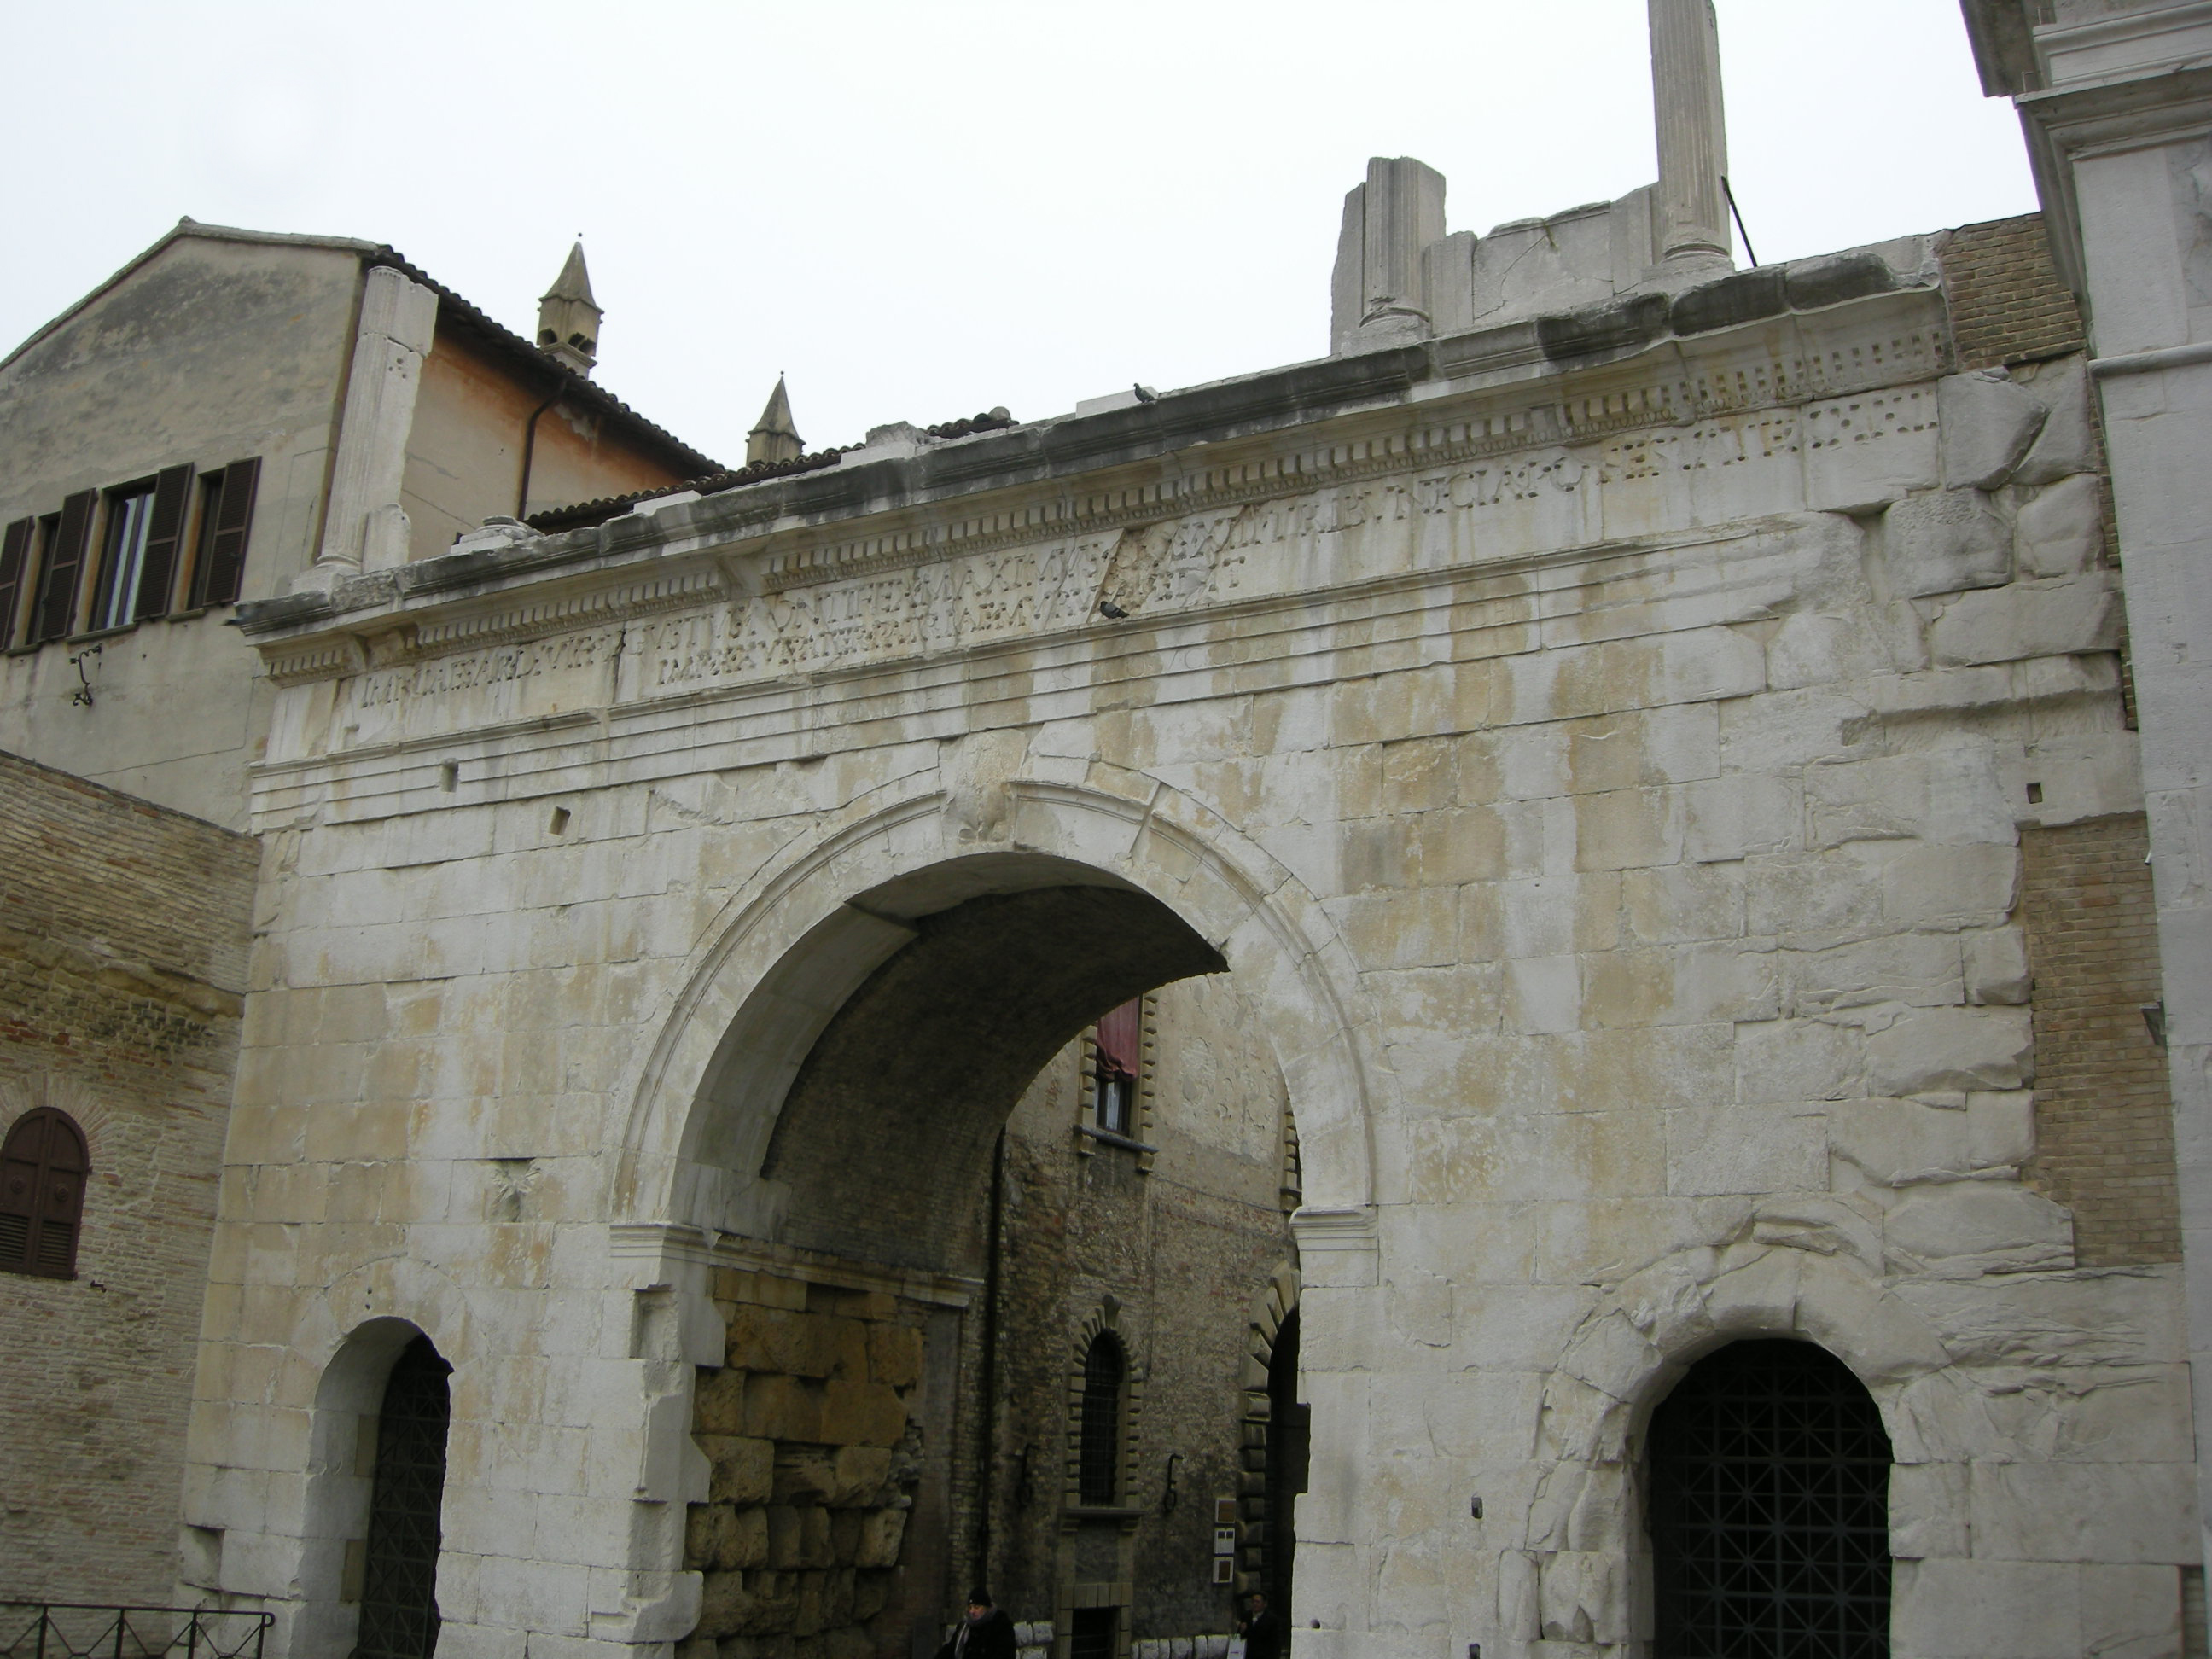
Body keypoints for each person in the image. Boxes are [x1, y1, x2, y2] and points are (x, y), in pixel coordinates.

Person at [934, 1591, 1017, 1659]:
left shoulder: (1001, 1626)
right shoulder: (965, 1627)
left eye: (976, 1607)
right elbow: (950, 1649)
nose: (972, 1611)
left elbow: (1005, 1654)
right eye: (970, 1607)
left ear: (987, 1608)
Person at [1238, 1592, 1285, 1659]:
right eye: (1253, 1602)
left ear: (1265, 1604)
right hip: (1249, 1655)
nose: (1255, 1604)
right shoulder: (1246, 1616)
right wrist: (1242, 1631)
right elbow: (1239, 1637)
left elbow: (1276, 1642)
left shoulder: (1272, 1619)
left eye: (1257, 1602)